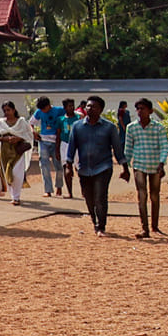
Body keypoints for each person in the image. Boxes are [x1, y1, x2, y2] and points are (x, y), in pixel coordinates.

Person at [67, 96, 120, 235]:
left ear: (101, 109)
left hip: (103, 166)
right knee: (88, 197)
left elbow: (117, 147)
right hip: (84, 168)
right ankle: (94, 220)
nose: (90, 109)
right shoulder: (77, 127)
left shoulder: (109, 127)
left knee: (100, 197)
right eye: (88, 106)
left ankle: (101, 226)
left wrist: (124, 166)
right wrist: (68, 164)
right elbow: (72, 146)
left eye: (94, 106)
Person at [120, 100, 167, 238]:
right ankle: (144, 228)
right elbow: (128, 148)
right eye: (138, 109)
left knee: (154, 196)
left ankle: (155, 226)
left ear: (150, 111)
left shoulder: (158, 127)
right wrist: (125, 167)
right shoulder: (131, 127)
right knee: (142, 195)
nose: (140, 111)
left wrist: (161, 162)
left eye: (143, 109)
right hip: (139, 165)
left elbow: (164, 146)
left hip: (155, 165)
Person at [0, 102, 36, 205]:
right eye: (5, 111)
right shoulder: (1, 122)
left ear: (13, 110)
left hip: (18, 150)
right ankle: (13, 196)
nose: (7, 112)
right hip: (5, 151)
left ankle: (16, 196)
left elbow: (28, 135)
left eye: (8, 110)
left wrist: (18, 138)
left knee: (17, 173)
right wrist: (6, 138)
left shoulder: (21, 122)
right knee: (8, 173)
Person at [33, 97, 65, 197]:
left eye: (44, 109)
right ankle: (48, 190)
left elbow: (71, 115)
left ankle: (59, 186)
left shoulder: (59, 110)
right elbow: (30, 123)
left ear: (48, 105)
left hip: (56, 141)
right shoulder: (39, 112)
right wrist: (33, 132)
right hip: (43, 141)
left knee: (58, 165)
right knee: (44, 166)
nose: (43, 111)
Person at [58, 98, 79, 198]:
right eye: (69, 106)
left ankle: (84, 190)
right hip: (65, 144)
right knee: (66, 168)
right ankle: (70, 192)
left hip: (77, 145)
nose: (72, 108)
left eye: (73, 105)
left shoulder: (79, 118)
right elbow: (58, 135)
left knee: (80, 168)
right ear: (65, 108)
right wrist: (57, 150)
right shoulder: (61, 120)